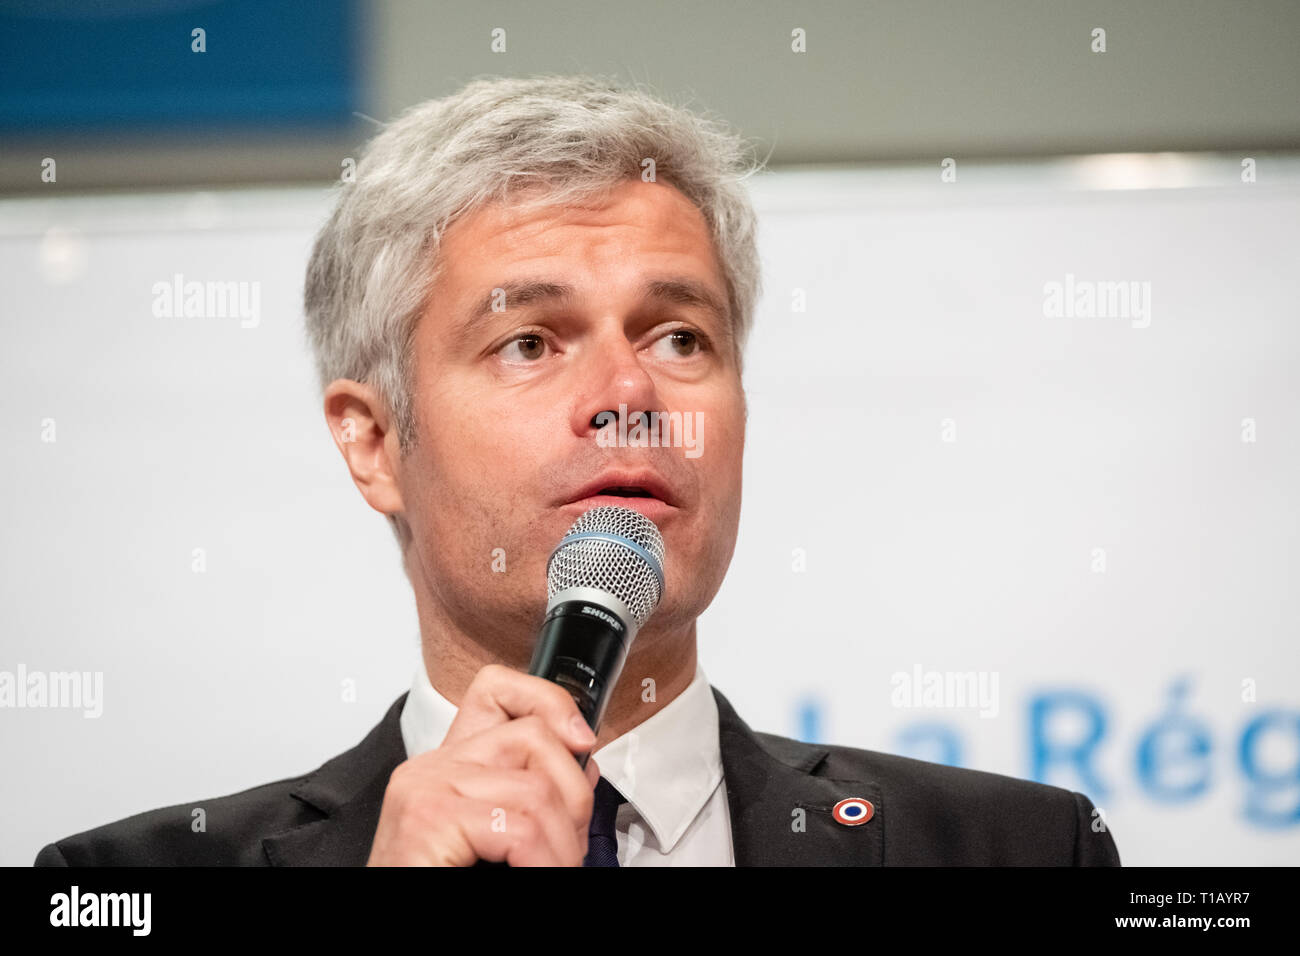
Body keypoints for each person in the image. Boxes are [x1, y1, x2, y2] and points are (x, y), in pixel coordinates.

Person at [35, 74, 1119, 867]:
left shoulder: (1019, 849)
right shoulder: (115, 884)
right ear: (373, 442)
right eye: (529, 342)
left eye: (679, 337)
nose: (629, 393)